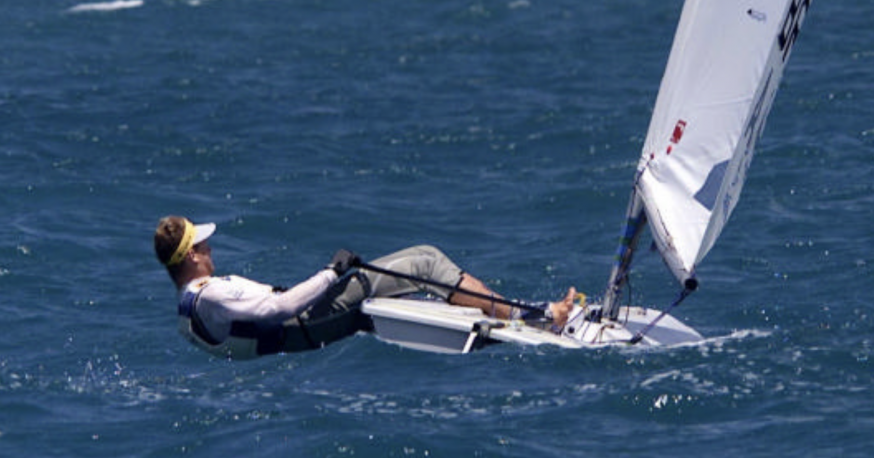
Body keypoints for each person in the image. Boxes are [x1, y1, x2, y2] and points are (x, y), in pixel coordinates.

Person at [154, 216, 576, 359]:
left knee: (399, 296)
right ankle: (532, 317)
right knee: (424, 260)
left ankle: (498, 324)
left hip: (297, 336)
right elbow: (276, 310)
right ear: (192, 255)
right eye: (203, 242)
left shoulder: (186, 305)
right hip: (301, 326)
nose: (210, 246)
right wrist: (330, 272)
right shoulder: (212, 295)